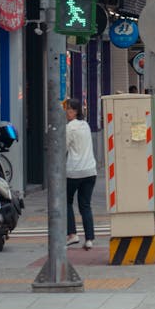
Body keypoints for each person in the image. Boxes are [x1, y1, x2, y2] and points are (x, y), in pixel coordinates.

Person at [64, 98, 98, 249]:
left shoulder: (70, 128)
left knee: (66, 201)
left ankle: (72, 234)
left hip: (74, 171)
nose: (67, 112)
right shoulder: (86, 125)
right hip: (90, 170)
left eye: (70, 109)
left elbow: (63, 149)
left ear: (76, 111)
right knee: (85, 205)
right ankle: (89, 239)